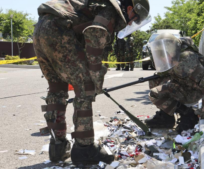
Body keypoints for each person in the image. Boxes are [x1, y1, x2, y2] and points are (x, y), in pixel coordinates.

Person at [33, 0, 150, 165]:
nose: (132, 23)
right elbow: (95, 34)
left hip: (41, 29)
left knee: (56, 86)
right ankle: (84, 148)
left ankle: (57, 147)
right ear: (130, 8)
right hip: (59, 30)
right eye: (135, 19)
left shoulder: (95, 5)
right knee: (85, 86)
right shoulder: (111, 10)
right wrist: (95, 77)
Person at [145, 33, 204, 133]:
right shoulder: (174, 60)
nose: (161, 59)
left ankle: (188, 116)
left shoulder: (186, 60)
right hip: (183, 87)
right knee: (155, 86)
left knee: (160, 87)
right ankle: (166, 117)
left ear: (171, 52)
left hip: (194, 92)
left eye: (162, 55)